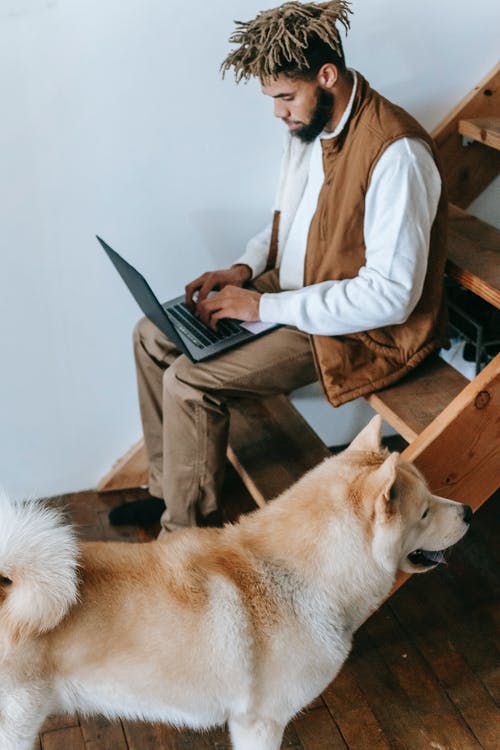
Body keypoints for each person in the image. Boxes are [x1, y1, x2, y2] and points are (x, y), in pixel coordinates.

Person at [109, 0, 447, 533]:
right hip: (290, 292)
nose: (279, 112)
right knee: (151, 335)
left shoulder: (396, 153)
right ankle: (166, 490)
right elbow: (290, 220)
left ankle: (185, 539)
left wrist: (265, 305)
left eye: (286, 96)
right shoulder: (309, 126)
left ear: (327, 76)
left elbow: (391, 297)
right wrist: (245, 269)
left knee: (190, 382)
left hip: (357, 331)